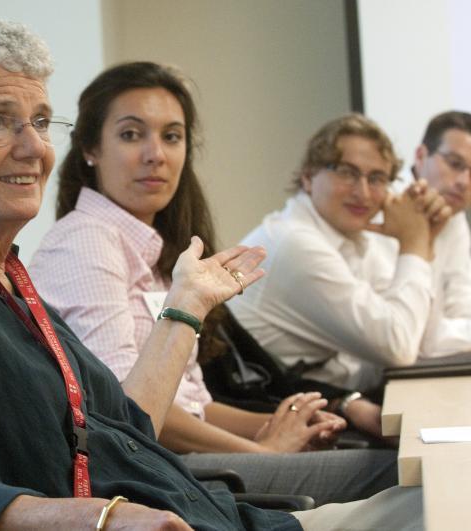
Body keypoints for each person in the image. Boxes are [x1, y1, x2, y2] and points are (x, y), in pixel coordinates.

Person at [0, 16, 423, 530]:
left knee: (441, 488)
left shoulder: (4, 277)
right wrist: (103, 519)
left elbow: (125, 428)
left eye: (39, 121)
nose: (34, 147)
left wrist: (187, 306)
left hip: (230, 515)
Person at [28, 61, 397, 505]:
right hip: (153, 472)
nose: (156, 154)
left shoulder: (155, 248)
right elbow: (132, 412)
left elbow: (193, 403)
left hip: (187, 456)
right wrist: (263, 452)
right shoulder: (85, 242)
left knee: (398, 457)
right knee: (401, 471)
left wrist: (279, 425)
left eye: (171, 136)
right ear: (90, 148)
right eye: (131, 135)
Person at [227, 114, 451, 394]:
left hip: (334, 403)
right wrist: (415, 243)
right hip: (274, 412)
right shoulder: (295, 244)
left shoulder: (354, 237)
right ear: (308, 177)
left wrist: (425, 242)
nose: (364, 193)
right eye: (347, 172)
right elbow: (400, 347)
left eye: (377, 178)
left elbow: (423, 341)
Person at [409, 111, 471, 356]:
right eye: (455, 164)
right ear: (421, 156)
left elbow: (462, 308)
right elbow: (417, 338)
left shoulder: (454, 216)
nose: (465, 182)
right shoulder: (382, 208)